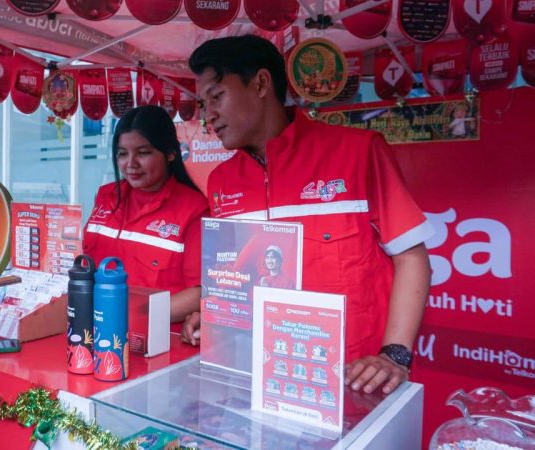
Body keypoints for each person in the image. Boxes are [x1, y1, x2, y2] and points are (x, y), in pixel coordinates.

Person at [181, 35, 433, 396]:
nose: (209, 117)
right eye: (203, 103)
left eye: (216, 96)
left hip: (353, 383)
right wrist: (214, 317)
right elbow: (236, 281)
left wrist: (393, 356)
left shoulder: (358, 153)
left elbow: (412, 258)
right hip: (258, 378)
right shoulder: (222, 181)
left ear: (262, 83)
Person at [83, 105, 208, 323]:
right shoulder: (105, 197)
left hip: (156, 340)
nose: (130, 164)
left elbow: (199, 292)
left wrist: (138, 319)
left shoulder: (194, 209)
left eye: (143, 153)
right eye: (122, 154)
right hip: (94, 328)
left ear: (170, 153)